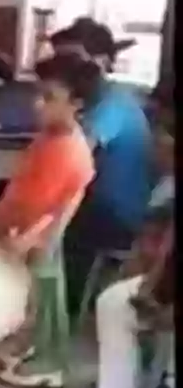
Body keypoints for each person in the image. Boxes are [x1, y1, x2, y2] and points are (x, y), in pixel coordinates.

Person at [0, 55, 98, 388]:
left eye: (49, 97)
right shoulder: (53, 137)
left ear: (77, 104)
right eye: (38, 94)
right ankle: (26, 349)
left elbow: (23, 210)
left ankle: (44, 364)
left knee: (36, 299)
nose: (37, 104)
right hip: (29, 235)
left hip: (33, 239)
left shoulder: (64, 150)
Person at [63, 115, 174, 388]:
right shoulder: (166, 184)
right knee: (114, 301)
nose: (153, 148)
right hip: (165, 277)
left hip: (165, 279)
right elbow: (155, 242)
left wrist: (154, 286)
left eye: (160, 140)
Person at [51, 22, 154, 315]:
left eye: (74, 60)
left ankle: (61, 314)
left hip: (118, 214)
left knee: (49, 219)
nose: (66, 69)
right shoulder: (94, 101)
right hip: (98, 202)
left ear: (102, 61)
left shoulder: (112, 103)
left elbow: (74, 155)